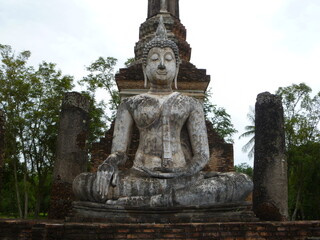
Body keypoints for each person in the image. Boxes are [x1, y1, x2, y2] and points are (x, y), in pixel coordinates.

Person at [73, 17, 252, 207]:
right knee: (83, 184)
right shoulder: (130, 104)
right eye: (154, 59)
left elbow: (202, 155)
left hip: (182, 178)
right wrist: (109, 163)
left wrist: (185, 173)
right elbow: (120, 152)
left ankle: (145, 203)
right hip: (141, 178)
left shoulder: (190, 103)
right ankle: (168, 200)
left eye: (168, 59)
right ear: (144, 66)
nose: (161, 65)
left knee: (241, 181)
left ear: (176, 67)